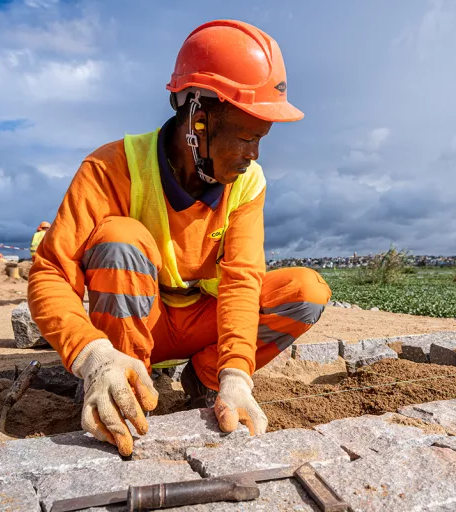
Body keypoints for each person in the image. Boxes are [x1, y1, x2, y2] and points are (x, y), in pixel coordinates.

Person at [28, 19, 331, 457]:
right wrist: (92, 355)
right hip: (135, 325)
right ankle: (123, 382)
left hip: (197, 323)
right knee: (120, 239)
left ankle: (205, 380)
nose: (254, 154)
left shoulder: (248, 183)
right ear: (197, 119)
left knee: (306, 291)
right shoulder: (111, 168)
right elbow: (51, 274)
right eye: (246, 137)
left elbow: (243, 279)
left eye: (261, 139)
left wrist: (236, 375)